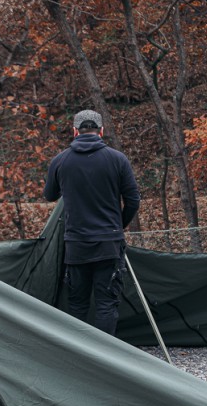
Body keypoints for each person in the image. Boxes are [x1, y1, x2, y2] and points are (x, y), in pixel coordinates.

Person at [44, 110, 140, 335]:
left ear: (75, 131)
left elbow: (49, 195)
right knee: (107, 304)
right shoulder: (117, 159)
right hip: (109, 243)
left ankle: (80, 359)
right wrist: (120, 225)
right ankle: (105, 361)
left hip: (76, 244)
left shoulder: (61, 160)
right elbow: (133, 200)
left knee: (78, 305)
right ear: (101, 131)